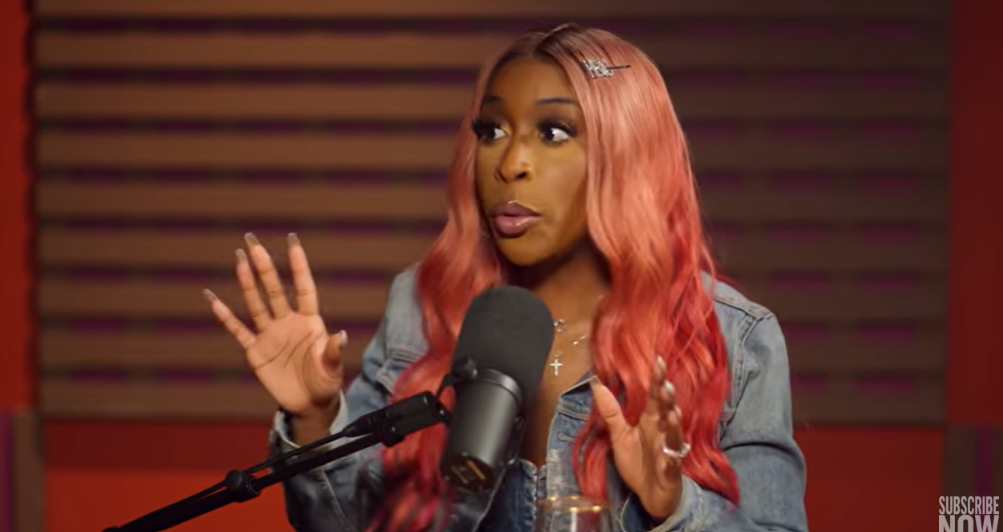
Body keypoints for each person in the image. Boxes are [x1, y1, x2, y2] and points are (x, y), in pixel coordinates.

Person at [204, 23, 808, 532]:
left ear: (630, 153)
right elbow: (348, 523)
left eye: (552, 132)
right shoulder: (422, 304)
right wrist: (314, 418)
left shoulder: (733, 337)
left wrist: (675, 508)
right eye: (492, 131)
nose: (510, 163)